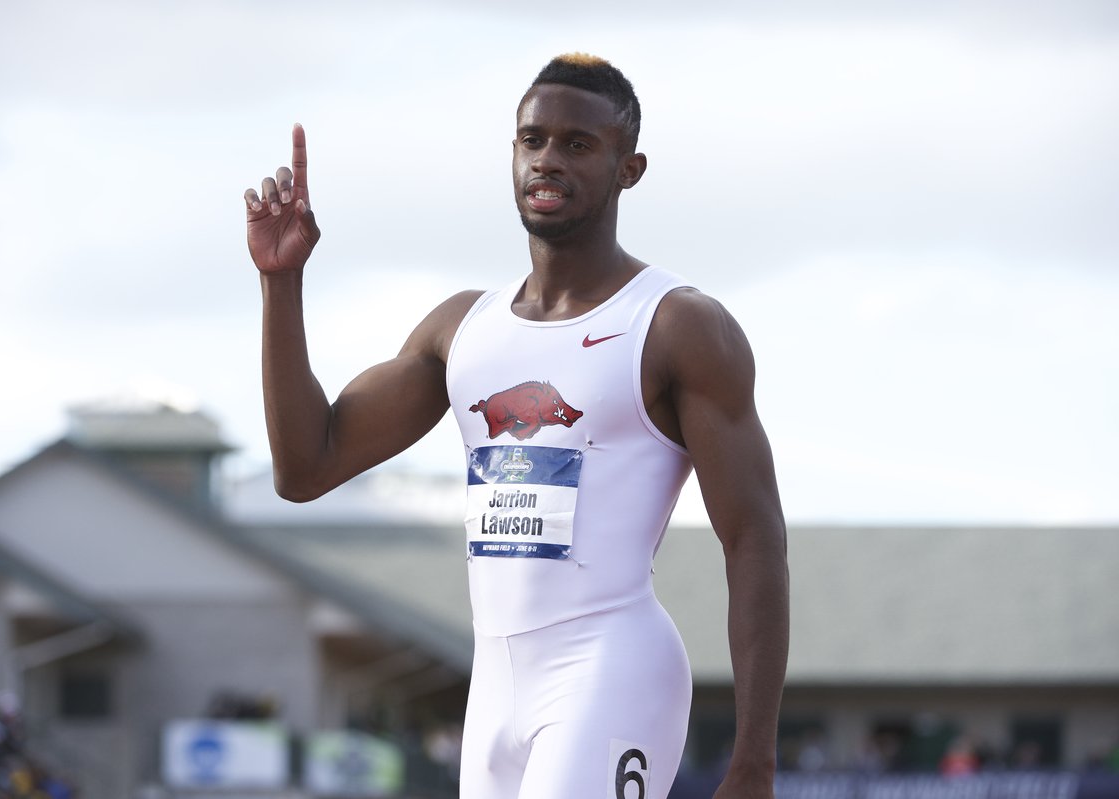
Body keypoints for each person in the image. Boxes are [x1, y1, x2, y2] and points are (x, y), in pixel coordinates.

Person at [244, 53, 789, 799]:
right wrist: (282, 283)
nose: (547, 160)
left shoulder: (676, 326)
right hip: (494, 691)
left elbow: (755, 539)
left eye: (577, 144)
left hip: (610, 668)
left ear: (629, 168)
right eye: (532, 140)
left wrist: (754, 759)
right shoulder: (463, 329)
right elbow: (306, 467)